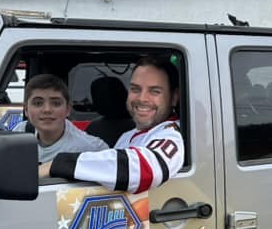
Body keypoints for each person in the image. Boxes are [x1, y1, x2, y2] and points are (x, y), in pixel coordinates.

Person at [39, 56, 184, 194]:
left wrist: (56, 165)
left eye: (155, 91)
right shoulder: (127, 135)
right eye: (135, 89)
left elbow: (145, 169)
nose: (142, 98)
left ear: (174, 97)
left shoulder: (173, 134)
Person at [14, 73, 107, 162]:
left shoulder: (92, 149)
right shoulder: (19, 134)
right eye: (38, 103)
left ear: (68, 110)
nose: (47, 110)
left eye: (56, 103)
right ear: (26, 109)